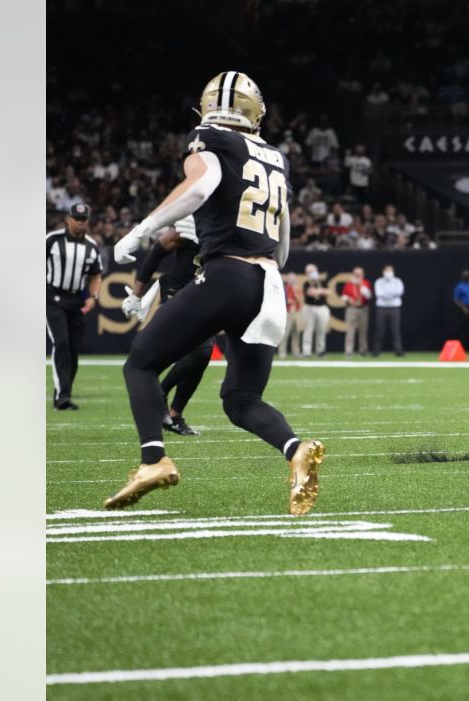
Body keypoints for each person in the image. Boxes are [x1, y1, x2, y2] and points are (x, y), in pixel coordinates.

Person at [106, 71, 324, 515]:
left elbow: (202, 185)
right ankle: (296, 449)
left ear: (208, 108)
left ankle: (153, 460)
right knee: (242, 400)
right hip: (268, 284)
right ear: (255, 112)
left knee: (141, 364)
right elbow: (281, 244)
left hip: (226, 274)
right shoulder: (277, 157)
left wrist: (142, 229)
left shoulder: (210, 137)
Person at [124, 215, 208, 435]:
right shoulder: (192, 225)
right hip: (177, 292)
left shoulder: (228, 227)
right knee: (202, 351)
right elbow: (157, 251)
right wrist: (136, 294)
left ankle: (174, 415)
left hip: (203, 294)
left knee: (202, 357)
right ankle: (160, 392)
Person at [46, 203, 102, 410]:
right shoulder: (52, 240)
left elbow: (96, 275)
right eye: (77, 219)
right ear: (68, 219)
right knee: (61, 343)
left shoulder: (91, 245)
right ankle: (63, 398)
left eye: (84, 219)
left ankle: (62, 393)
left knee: (72, 351)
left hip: (76, 301)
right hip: (53, 297)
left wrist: (93, 296)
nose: (80, 223)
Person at [373, 264, 405, 357]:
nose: (389, 273)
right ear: (383, 272)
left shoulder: (398, 281)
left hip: (395, 308)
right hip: (381, 307)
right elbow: (379, 294)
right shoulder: (378, 282)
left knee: (395, 330)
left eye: (390, 270)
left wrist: (387, 294)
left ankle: (398, 351)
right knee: (380, 330)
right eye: (387, 271)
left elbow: (399, 292)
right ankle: (376, 351)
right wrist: (391, 295)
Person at [301, 263, 331, 357]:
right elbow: (310, 293)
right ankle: (307, 352)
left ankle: (320, 351)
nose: (312, 273)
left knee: (321, 330)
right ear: (306, 273)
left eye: (313, 271)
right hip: (309, 307)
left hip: (322, 307)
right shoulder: (307, 283)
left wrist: (318, 291)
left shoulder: (323, 282)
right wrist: (320, 291)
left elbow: (328, 292)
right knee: (308, 329)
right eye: (309, 272)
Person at [341, 266, 371, 357]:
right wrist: (348, 299)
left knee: (363, 330)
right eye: (356, 274)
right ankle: (349, 351)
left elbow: (368, 296)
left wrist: (360, 285)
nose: (357, 276)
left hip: (363, 308)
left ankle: (363, 351)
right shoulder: (348, 284)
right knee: (350, 330)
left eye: (359, 274)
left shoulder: (366, 283)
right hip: (351, 308)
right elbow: (343, 296)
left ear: (363, 275)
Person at [282, 272, 304, 359]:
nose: (292, 280)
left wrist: (295, 295)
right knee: (286, 333)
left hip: (297, 312)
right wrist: (290, 300)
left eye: (294, 278)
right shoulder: (285, 288)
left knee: (297, 334)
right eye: (291, 278)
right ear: (288, 280)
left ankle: (296, 352)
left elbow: (301, 301)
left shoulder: (298, 289)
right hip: (288, 313)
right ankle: (282, 352)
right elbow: (285, 300)